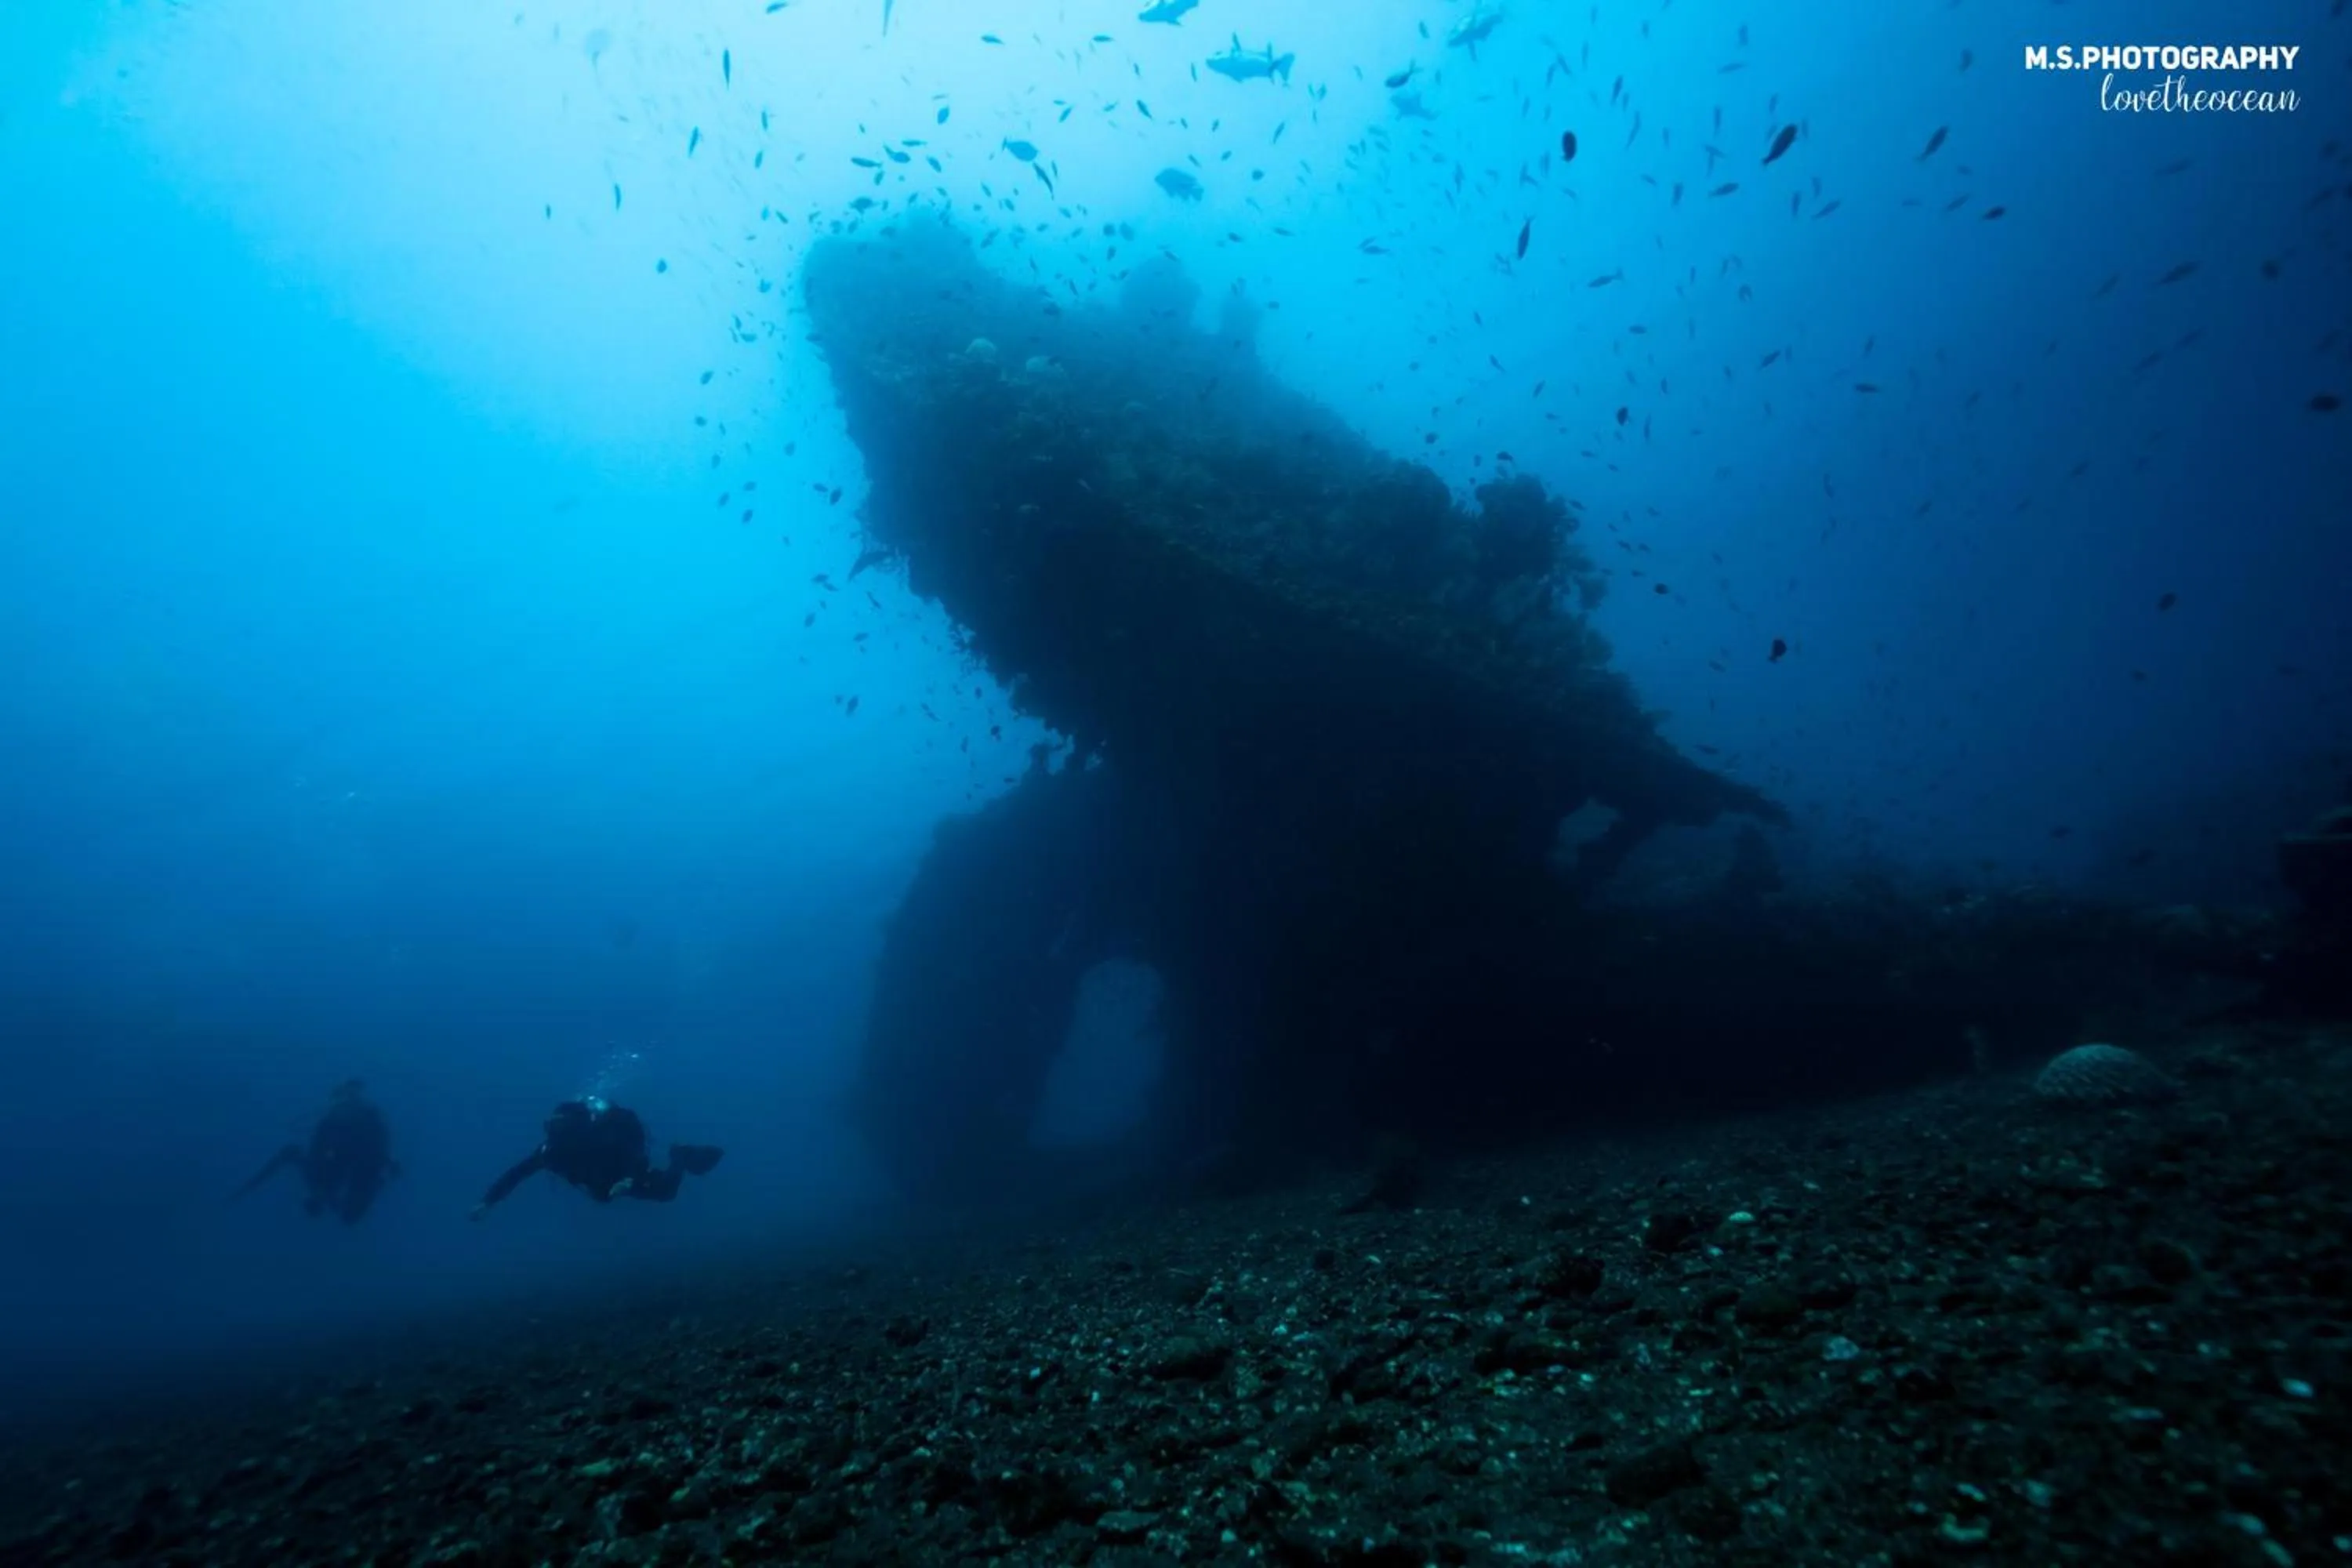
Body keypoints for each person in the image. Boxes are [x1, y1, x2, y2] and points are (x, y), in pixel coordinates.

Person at [470, 1097, 722, 1219]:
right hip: (604, 1184)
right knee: (603, 1197)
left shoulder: (605, 1134)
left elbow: (632, 1152)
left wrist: (629, 1179)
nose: (556, 1133)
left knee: (666, 1192)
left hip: (625, 1172)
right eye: (552, 1127)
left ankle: (680, 1155)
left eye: (562, 1126)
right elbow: (518, 1172)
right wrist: (488, 1201)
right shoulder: (552, 1151)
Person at [231, 1079, 399, 1224]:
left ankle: (241, 1193)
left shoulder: (317, 1178)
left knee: (349, 1210)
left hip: (349, 1152)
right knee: (349, 1214)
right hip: (354, 1153)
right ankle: (242, 1192)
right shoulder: (321, 1181)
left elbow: (298, 1152)